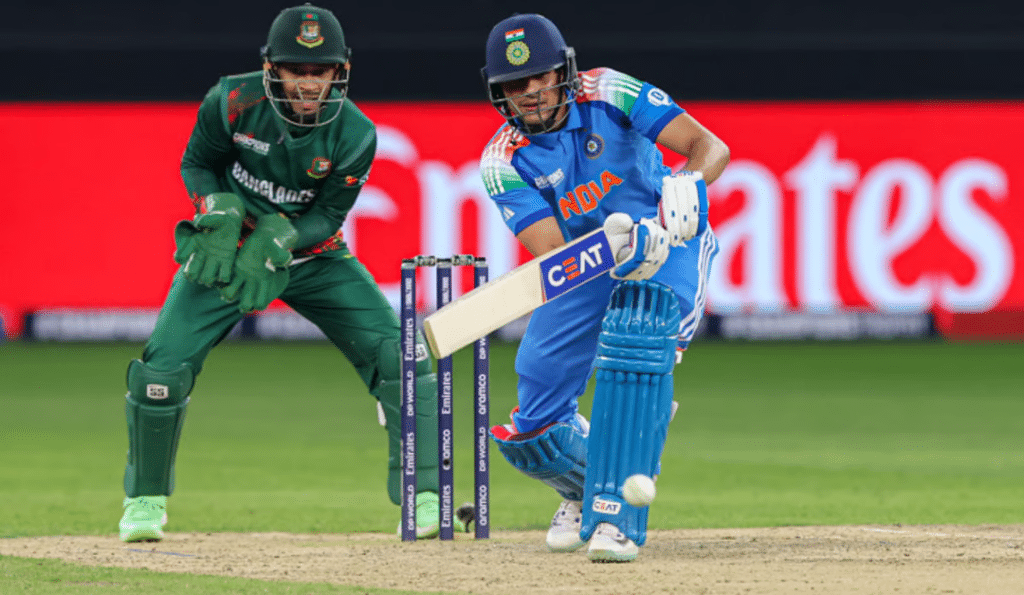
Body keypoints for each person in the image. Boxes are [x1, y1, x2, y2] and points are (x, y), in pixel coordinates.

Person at [117, 3, 456, 542]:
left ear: (337, 72)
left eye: (319, 71)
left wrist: (285, 236)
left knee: (403, 358)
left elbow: (328, 215)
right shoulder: (231, 100)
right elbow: (196, 164)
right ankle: (144, 502)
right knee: (161, 372)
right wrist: (218, 208)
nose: (308, 83)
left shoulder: (355, 134)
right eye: (297, 70)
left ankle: (426, 498)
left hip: (313, 257)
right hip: (230, 250)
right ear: (272, 68)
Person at [479, 14, 729, 562]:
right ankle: (582, 487)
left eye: (539, 77)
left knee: (637, 347)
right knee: (536, 421)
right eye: (514, 86)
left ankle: (617, 514)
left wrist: (686, 181)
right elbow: (552, 253)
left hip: (668, 242)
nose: (529, 93)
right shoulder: (502, 160)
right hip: (585, 265)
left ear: (561, 71)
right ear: (499, 93)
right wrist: (613, 247)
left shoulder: (610, 89)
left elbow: (708, 146)